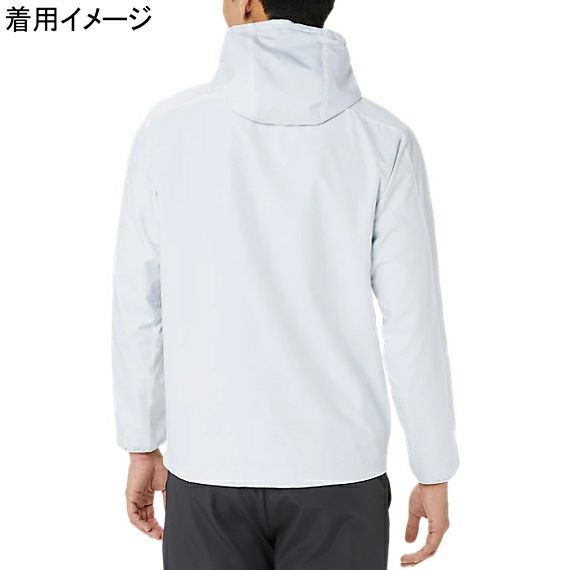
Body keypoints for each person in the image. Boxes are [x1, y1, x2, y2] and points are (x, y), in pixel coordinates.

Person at [111, 1, 459, 568]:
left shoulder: (168, 130)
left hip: (209, 462)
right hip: (341, 469)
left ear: (248, 4)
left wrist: (141, 439)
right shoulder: (384, 139)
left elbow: (139, 305)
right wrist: (433, 467)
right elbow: (413, 321)